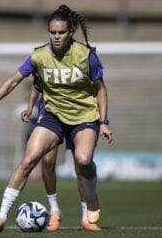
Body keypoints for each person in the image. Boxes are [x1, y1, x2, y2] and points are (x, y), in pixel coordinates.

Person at [0, 5, 113, 232]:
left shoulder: (86, 56)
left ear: (71, 33)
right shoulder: (39, 56)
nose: (56, 37)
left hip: (84, 116)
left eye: (61, 32)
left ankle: (90, 200)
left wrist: (104, 122)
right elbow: (14, 82)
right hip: (53, 116)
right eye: (52, 32)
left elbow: (101, 90)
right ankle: (1, 216)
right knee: (31, 159)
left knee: (83, 160)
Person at [21, 84, 101, 232]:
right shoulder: (45, 61)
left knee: (80, 164)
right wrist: (30, 105)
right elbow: (36, 81)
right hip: (52, 114)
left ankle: (86, 217)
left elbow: (98, 85)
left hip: (77, 114)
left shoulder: (81, 61)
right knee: (47, 161)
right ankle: (54, 211)